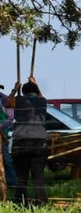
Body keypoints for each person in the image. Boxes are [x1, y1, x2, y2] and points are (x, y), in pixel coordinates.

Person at [4, 77, 50, 206]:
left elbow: (7, 104)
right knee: (38, 177)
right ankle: (41, 202)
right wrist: (36, 85)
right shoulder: (42, 102)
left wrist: (15, 89)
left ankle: (20, 202)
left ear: (23, 92)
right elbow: (41, 96)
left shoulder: (18, 100)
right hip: (40, 142)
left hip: (21, 141)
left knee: (21, 177)